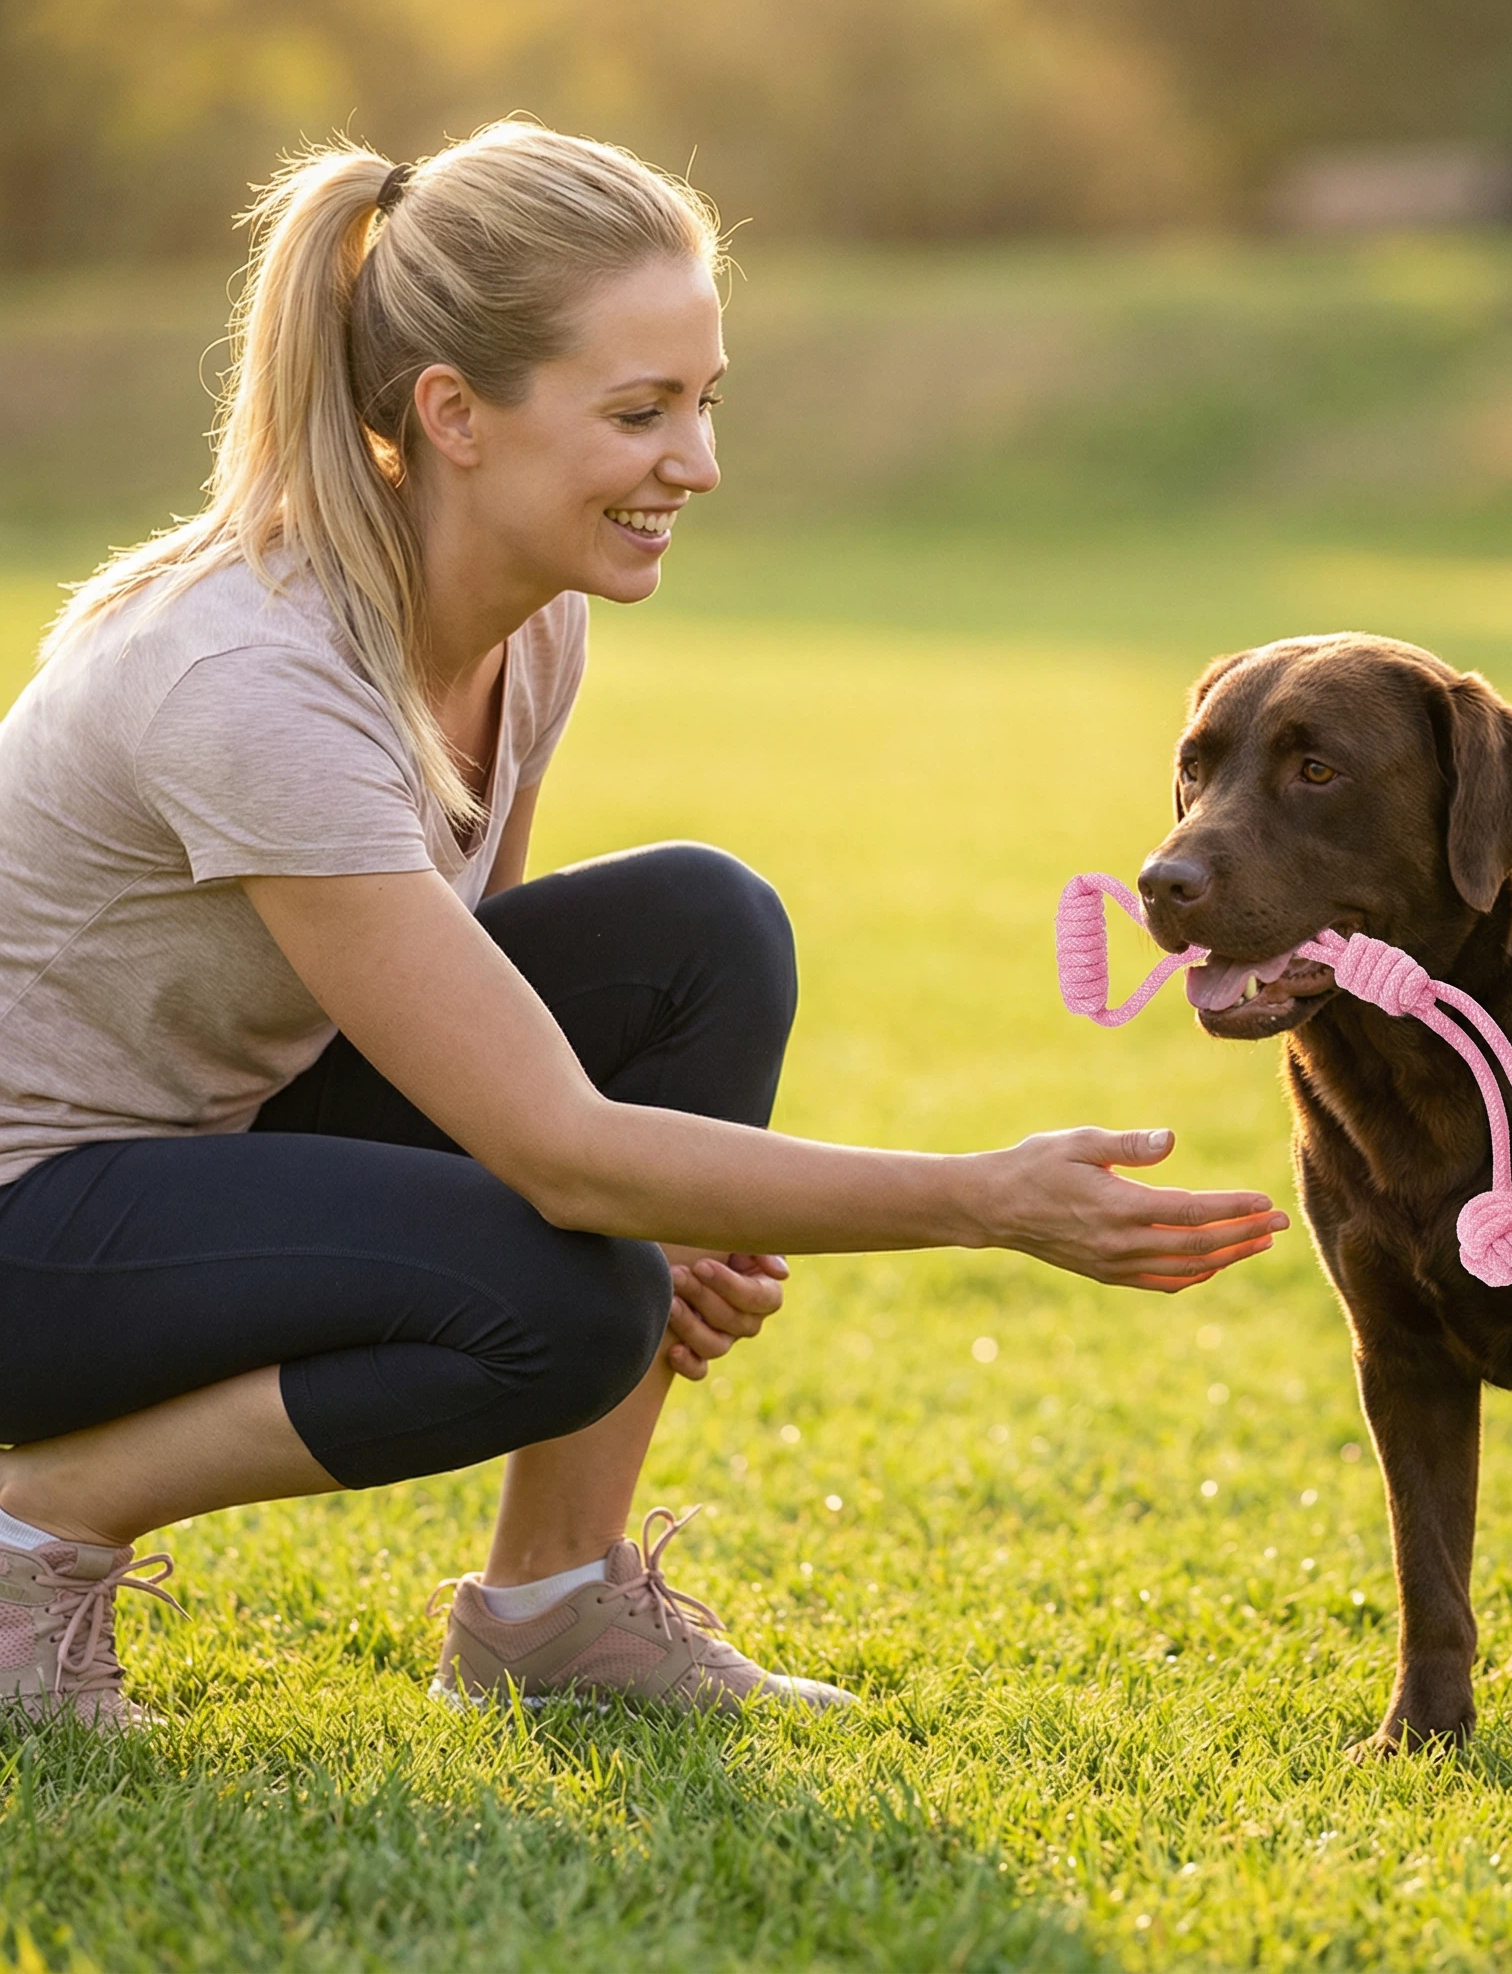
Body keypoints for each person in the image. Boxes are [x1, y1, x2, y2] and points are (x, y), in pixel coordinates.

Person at [0, 123, 1284, 1728]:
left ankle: (551, 1607)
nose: (698, 463)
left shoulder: (527, 628)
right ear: (454, 415)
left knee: (701, 929)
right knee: (573, 1299)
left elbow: (494, 1014)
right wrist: (980, 1199)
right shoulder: (253, 678)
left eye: (704, 402)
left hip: (214, 1144)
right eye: (639, 413)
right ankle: (34, 1531)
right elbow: (553, 1150)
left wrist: (665, 1215)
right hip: (29, 1226)